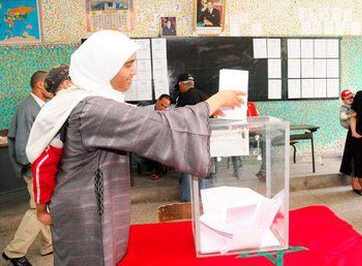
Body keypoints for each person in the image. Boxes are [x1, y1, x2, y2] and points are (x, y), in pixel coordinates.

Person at [25, 30, 244, 266]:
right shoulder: (91, 108)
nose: (135, 71)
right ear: (104, 66)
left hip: (88, 203)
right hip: (87, 214)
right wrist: (214, 102)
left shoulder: (84, 98)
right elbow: (156, 127)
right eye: (128, 64)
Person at [2, 71, 53, 266]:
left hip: (41, 167)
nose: (52, 87)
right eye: (49, 84)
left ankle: (48, 245)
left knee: (44, 205)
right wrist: (37, 168)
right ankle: (14, 252)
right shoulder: (27, 108)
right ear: (40, 85)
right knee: (37, 209)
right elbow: (23, 146)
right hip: (35, 169)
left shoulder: (40, 105)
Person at [31, 64, 72, 226]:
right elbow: (44, 163)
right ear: (65, 84)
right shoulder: (56, 112)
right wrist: (41, 211)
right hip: (65, 190)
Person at [175, 73, 210, 202]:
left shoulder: (184, 96)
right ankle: (205, 198)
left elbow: (179, 118)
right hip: (204, 138)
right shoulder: (204, 96)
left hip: (189, 138)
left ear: (181, 84)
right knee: (203, 168)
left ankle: (188, 198)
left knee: (187, 168)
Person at [142, 94, 172, 180]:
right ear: (158, 101)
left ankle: (159, 171)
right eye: (162, 105)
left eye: (165, 107)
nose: (163, 108)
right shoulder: (146, 110)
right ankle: (157, 169)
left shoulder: (168, 112)